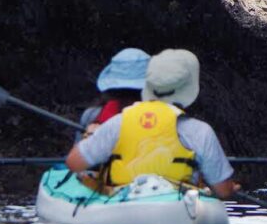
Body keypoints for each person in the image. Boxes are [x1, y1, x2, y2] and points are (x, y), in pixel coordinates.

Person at [65, 49, 240, 200]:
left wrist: (89, 137)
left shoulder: (114, 124)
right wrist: (229, 188)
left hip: (119, 198)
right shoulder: (198, 131)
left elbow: (74, 164)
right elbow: (224, 191)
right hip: (177, 204)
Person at [75, 48, 150, 141]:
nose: (128, 99)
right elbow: (77, 154)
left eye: (133, 92)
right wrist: (89, 141)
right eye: (122, 92)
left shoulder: (168, 118)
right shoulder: (91, 116)